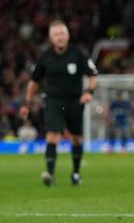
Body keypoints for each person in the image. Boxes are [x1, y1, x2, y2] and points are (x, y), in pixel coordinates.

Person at [19, 20, 98, 186]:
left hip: (75, 101)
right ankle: (50, 174)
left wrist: (89, 93)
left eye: (62, 33)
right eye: (56, 34)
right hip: (54, 101)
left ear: (68, 35)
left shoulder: (78, 54)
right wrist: (27, 103)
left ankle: (75, 174)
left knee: (76, 138)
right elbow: (34, 82)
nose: (60, 37)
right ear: (51, 38)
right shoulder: (45, 57)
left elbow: (92, 75)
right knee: (52, 135)